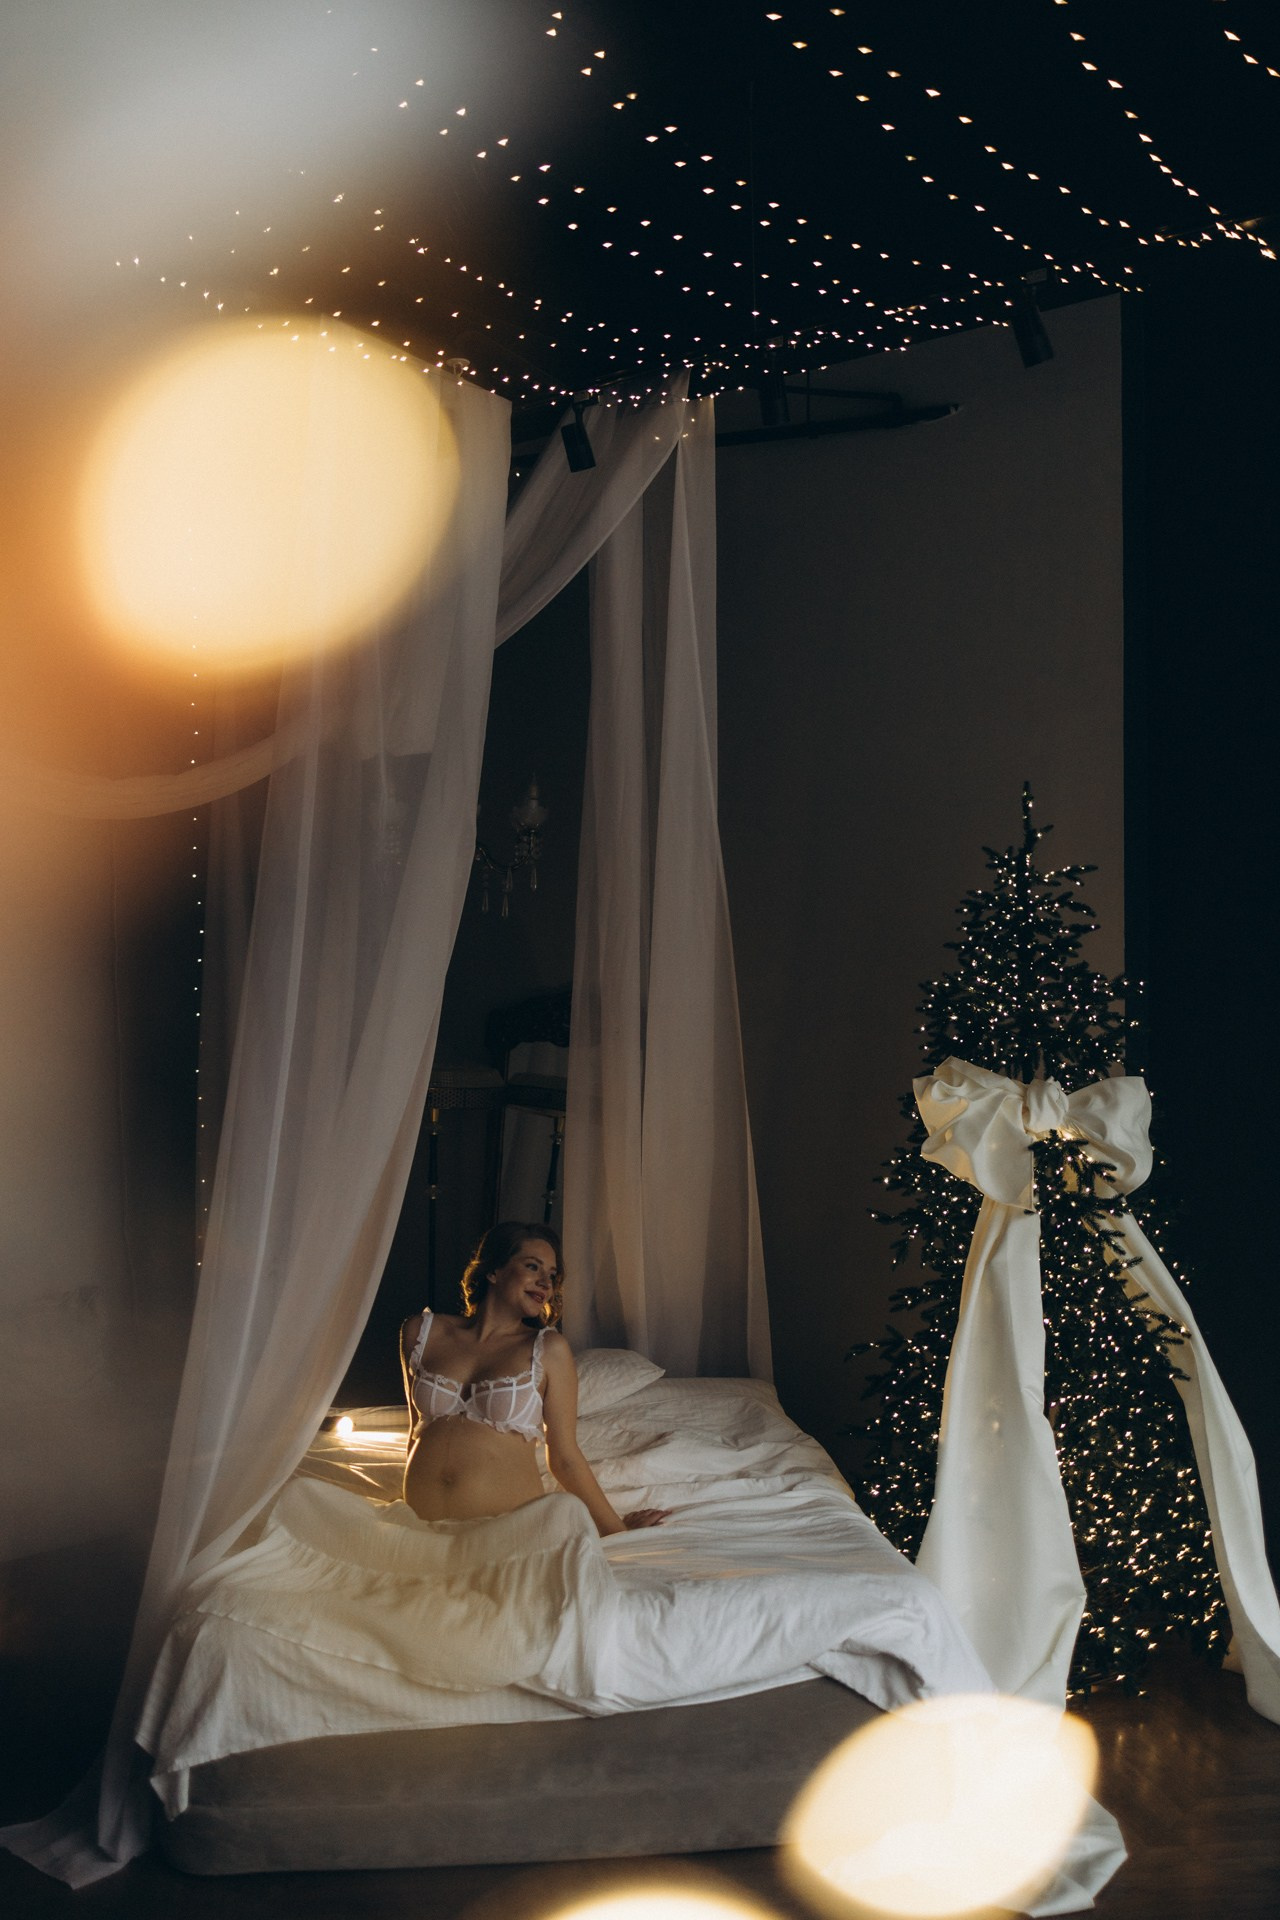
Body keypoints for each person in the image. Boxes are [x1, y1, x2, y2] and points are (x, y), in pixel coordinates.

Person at [400, 1221, 670, 1535]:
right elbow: (416, 1432)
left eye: (552, 1275)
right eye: (533, 1267)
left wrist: (616, 1530)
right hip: (420, 1530)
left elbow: (565, 1457)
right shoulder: (422, 1332)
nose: (545, 1283)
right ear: (494, 1270)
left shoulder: (548, 1349)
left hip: (508, 1531)